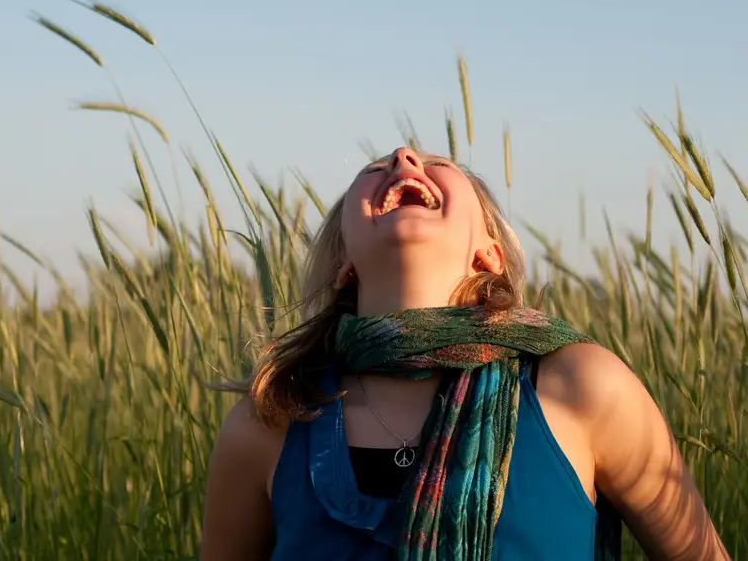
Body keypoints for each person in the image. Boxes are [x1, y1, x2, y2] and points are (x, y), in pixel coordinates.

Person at [199, 147, 729, 561]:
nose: (404, 159)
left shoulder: (583, 386)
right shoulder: (268, 421)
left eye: (437, 165)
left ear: (489, 254)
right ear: (344, 265)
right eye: (376, 168)